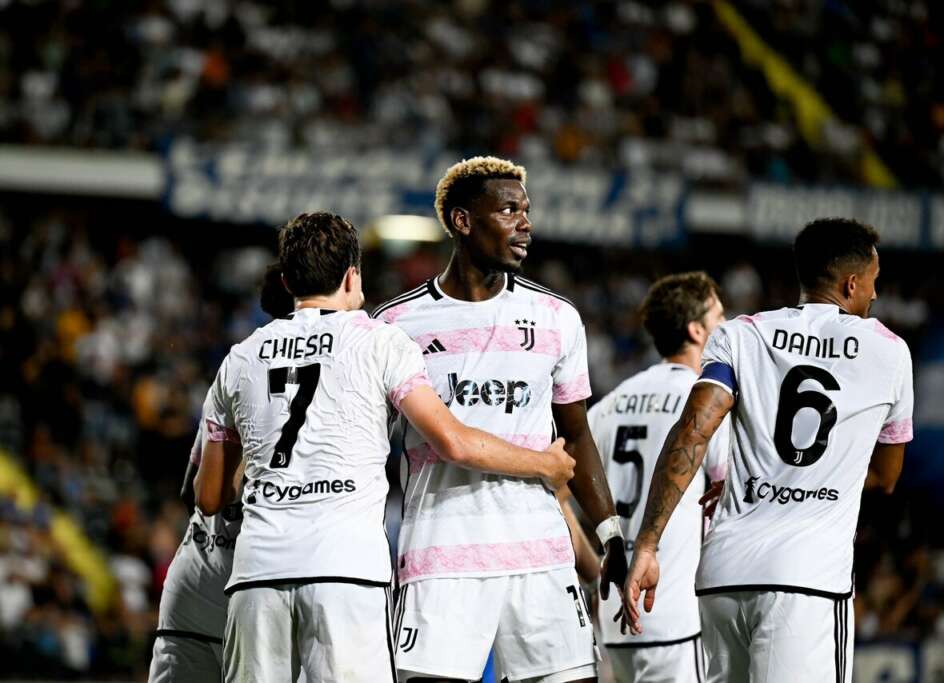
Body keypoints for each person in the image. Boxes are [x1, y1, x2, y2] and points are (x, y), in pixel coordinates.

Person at [193, 212, 576, 683]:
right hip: (346, 570)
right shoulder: (380, 342)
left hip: (257, 573)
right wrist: (545, 464)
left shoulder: (239, 358)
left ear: (288, 281)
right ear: (352, 277)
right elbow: (453, 442)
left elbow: (209, 497)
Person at [620, 218, 914, 683]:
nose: (875, 295)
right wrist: (809, 479)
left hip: (723, 578)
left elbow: (692, 432)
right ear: (851, 283)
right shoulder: (890, 351)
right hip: (808, 582)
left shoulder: (741, 334)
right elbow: (885, 477)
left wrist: (648, 544)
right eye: (873, 282)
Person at [372, 156, 627, 683]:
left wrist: (612, 536)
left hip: (540, 556)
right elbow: (373, 448)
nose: (525, 223)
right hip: (440, 559)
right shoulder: (396, 324)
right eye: (509, 210)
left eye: (526, 210)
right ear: (462, 221)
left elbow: (576, 434)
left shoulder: (556, 318)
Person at [148, 263, 294, 682]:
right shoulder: (336, 374)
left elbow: (198, 493)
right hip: (260, 593)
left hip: (196, 579)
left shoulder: (237, 364)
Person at [588, 272, 729, 683]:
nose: (728, 326)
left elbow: (558, 493)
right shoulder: (706, 405)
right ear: (697, 330)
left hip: (615, 617)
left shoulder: (609, 404)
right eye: (720, 317)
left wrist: (592, 565)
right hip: (677, 614)